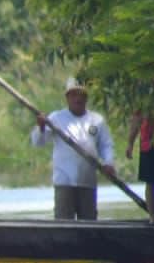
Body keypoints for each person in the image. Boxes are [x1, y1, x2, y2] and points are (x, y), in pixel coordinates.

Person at [31, 78, 116, 221]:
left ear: (86, 97)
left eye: (82, 94)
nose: (78, 98)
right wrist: (41, 127)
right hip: (64, 181)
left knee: (89, 224)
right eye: (74, 94)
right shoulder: (56, 118)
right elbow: (38, 142)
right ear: (67, 97)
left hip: (87, 181)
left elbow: (106, 145)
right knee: (63, 223)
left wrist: (108, 162)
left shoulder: (96, 120)